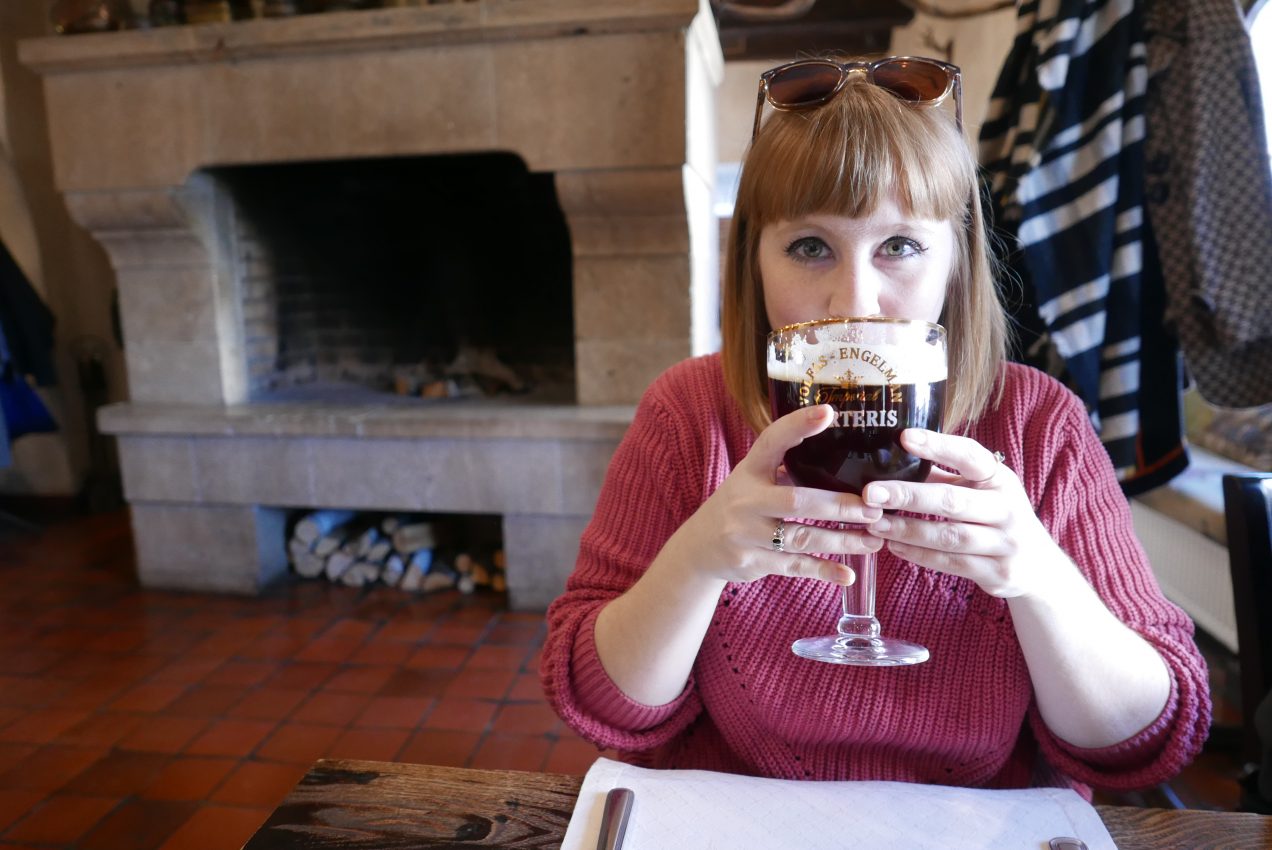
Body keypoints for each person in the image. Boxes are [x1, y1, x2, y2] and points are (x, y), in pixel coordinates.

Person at [540, 56, 1211, 797]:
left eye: (899, 247)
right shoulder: (688, 414)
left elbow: (1150, 737)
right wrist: (697, 559)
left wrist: (1040, 579)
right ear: (752, 264)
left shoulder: (1040, 424)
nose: (854, 298)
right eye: (809, 247)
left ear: (955, 259)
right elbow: (600, 701)